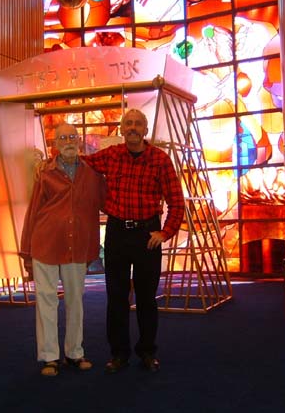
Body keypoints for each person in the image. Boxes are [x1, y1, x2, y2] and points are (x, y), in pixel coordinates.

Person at [84, 108, 185, 373]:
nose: (132, 127)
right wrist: (50, 163)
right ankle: (119, 354)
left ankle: (147, 352)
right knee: (116, 297)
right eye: (128, 123)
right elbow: (81, 163)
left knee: (146, 298)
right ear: (121, 129)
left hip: (147, 236)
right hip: (117, 233)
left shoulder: (160, 160)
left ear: (145, 130)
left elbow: (177, 202)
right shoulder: (111, 155)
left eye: (138, 124)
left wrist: (165, 232)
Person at [20, 123, 103, 377]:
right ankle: (49, 357)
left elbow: (99, 207)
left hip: (77, 246)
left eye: (72, 137)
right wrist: (26, 249)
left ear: (79, 141)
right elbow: (34, 210)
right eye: (63, 138)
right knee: (46, 300)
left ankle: (75, 353)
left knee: (75, 300)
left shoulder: (92, 173)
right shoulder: (44, 172)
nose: (68, 141)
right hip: (45, 243)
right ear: (55, 144)